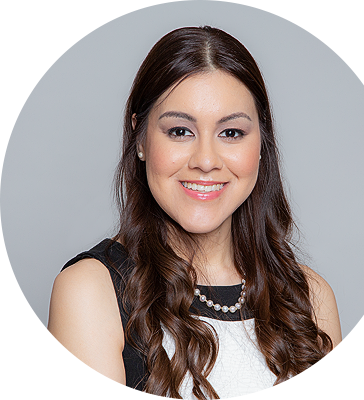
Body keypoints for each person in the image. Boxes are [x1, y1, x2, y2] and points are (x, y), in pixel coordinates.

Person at [43, 26, 343, 400]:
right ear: (140, 138)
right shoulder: (92, 292)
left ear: (261, 144)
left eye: (231, 133)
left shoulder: (309, 296)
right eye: (180, 131)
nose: (205, 160)